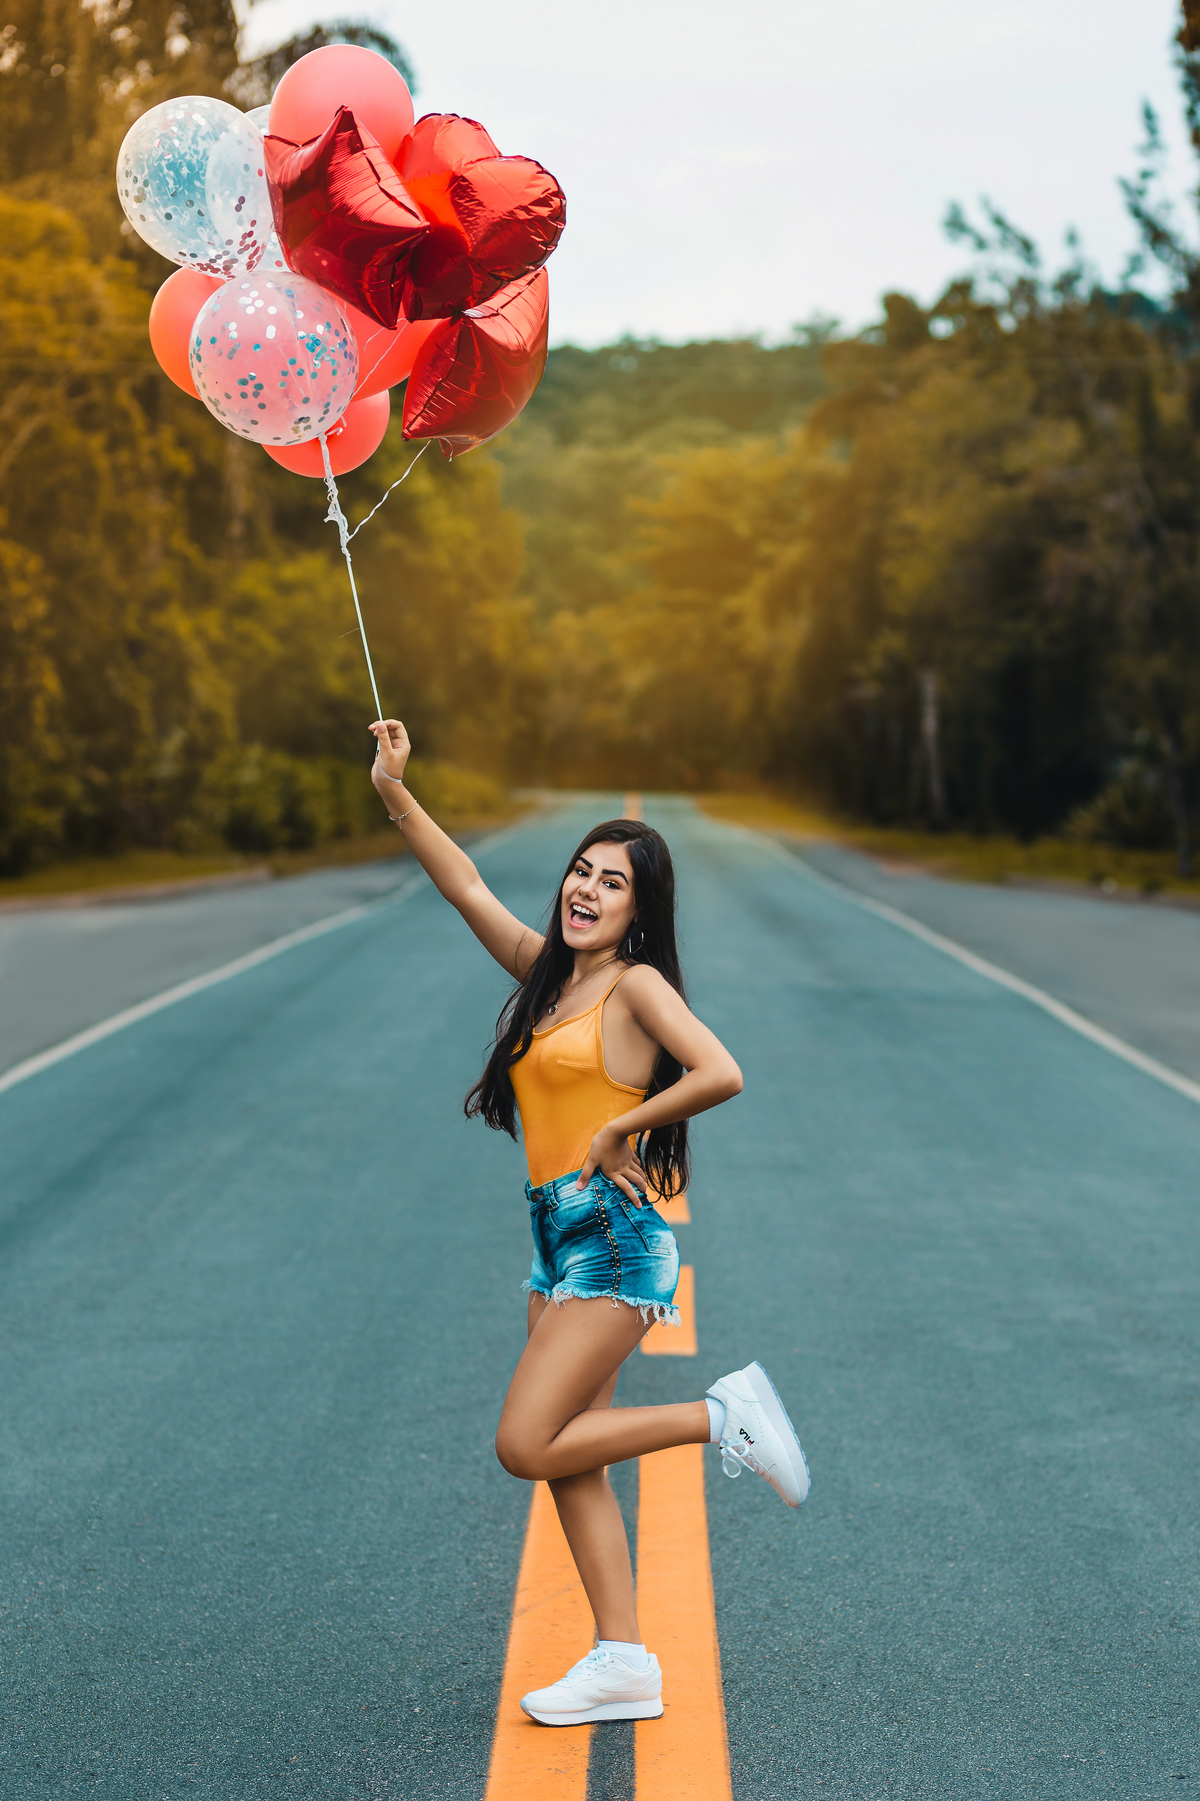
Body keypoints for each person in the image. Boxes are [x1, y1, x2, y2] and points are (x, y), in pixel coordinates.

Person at [369, 719, 810, 1727]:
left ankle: (720, 1418)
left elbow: (721, 1070)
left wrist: (626, 1126)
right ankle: (624, 1660)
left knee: (527, 1442)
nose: (586, 890)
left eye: (613, 882)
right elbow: (467, 885)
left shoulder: (636, 985)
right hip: (553, 1238)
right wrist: (395, 790)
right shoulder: (546, 980)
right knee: (575, 1457)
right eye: (580, 871)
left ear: (639, 910)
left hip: (610, 1235)